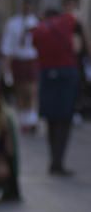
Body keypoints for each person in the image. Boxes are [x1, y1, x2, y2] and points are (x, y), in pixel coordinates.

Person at [32, 9, 80, 176]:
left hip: (46, 73)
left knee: (51, 119)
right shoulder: (67, 21)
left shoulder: (38, 30)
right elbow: (78, 44)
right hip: (67, 72)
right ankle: (59, 161)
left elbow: (35, 47)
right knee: (64, 119)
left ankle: (54, 160)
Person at [0, 0, 39, 134]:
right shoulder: (13, 23)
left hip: (32, 59)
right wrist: (6, 66)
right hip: (19, 59)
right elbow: (7, 46)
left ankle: (32, 119)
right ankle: (23, 120)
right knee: (21, 91)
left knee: (32, 90)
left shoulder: (36, 22)